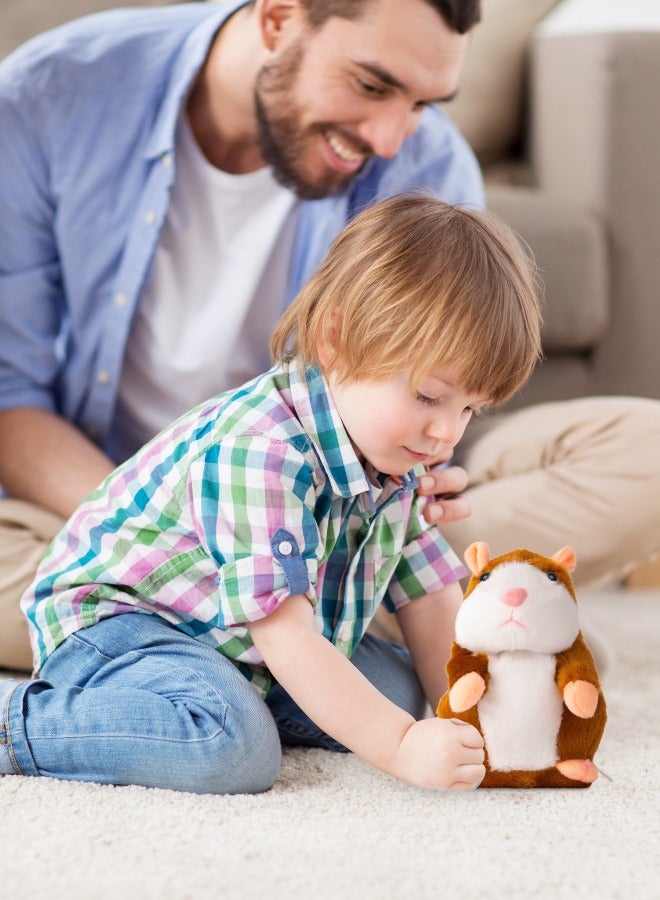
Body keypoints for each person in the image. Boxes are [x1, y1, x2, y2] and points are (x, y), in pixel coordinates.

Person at [0, 0, 658, 672]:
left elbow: (444, 397)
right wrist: (195, 528)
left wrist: (425, 473)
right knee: (44, 594)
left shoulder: (428, 160)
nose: (392, 138)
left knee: (649, 453)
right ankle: (357, 621)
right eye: (373, 86)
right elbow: (9, 397)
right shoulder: (48, 101)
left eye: (424, 103)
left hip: (346, 501)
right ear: (280, 17)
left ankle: (299, 619)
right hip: (112, 511)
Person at [0, 195, 542, 793]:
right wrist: (401, 745)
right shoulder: (262, 451)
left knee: (409, 690)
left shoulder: (396, 450)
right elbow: (285, 636)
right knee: (232, 748)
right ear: (336, 340)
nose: (447, 432)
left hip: (234, 641)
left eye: (470, 408)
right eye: (428, 397)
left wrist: (470, 714)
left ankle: (219, 702)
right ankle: (17, 724)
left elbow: (429, 597)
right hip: (121, 623)